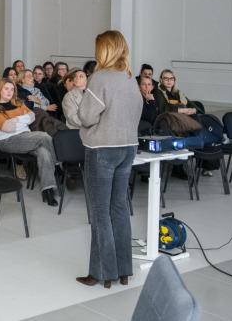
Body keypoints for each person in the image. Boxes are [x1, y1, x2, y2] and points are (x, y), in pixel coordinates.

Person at [75, 30, 142, 289]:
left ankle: (101, 273)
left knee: (100, 212)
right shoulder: (129, 78)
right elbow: (138, 110)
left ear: (104, 50)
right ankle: (123, 270)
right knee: (119, 209)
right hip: (128, 147)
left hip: (102, 148)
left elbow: (87, 117)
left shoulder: (99, 78)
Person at [0, 79, 59, 205]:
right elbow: (7, 128)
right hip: (8, 141)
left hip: (26, 137)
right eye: (6, 89)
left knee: (44, 153)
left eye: (12, 89)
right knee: (43, 136)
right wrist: (22, 119)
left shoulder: (18, 103)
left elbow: (32, 117)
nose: (10, 92)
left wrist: (16, 120)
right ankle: (59, 164)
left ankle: (48, 190)